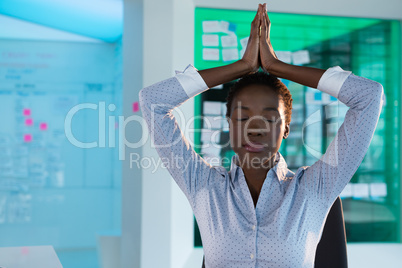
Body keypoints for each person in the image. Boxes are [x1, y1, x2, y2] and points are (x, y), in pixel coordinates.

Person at [139, 3, 385, 268]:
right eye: (243, 117)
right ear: (229, 126)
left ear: (286, 128)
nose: (254, 129)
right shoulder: (204, 186)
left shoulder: (315, 188)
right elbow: (152, 102)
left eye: (269, 118)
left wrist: (276, 66)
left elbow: (369, 97)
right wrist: (242, 66)